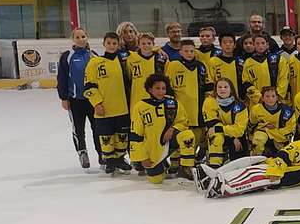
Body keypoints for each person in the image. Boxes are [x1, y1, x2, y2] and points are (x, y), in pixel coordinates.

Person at [198, 135, 300, 198]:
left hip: (281, 180)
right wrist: (275, 171)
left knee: (250, 177)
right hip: (274, 170)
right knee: (248, 172)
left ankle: (220, 186)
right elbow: (284, 154)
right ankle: (211, 179)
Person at [129, 74, 197, 183]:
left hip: (168, 142)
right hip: (153, 150)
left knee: (187, 135)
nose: (161, 91)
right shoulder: (140, 107)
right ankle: (161, 164)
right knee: (156, 180)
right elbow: (136, 134)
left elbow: (183, 121)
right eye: (157, 88)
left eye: (163, 88)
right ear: (150, 89)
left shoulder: (172, 103)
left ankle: (186, 167)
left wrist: (173, 128)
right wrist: (142, 158)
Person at [83, 32, 132, 175]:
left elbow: (143, 54)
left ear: (118, 44)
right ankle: (110, 161)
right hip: (104, 108)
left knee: (121, 136)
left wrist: (157, 49)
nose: (111, 46)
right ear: (103, 44)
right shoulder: (95, 63)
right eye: (109, 43)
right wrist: (97, 103)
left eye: (114, 43)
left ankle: (120, 159)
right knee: (106, 136)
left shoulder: (124, 59)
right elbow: (88, 86)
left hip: (123, 108)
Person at [57, 28, 100, 168]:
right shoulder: (67, 56)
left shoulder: (93, 55)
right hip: (75, 100)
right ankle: (82, 152)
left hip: (93, 100)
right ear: (73, 39)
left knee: (98, 128)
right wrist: (63, 98)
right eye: (77, 37)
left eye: (83, 36)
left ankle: (102, 155)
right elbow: (62, 78)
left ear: (87, 37)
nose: (81, 39)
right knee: (78, 129)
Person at [164, 39, 210, 171]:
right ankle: (175, 162)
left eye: (191, 51)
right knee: (180, 135)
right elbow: (167, 85)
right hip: (180, 108)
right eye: (186, 51)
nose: (189, 53)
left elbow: (208, 84)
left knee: (195, 137)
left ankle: (188, 163)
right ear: (180, 52)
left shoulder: (201, 66)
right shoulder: (173, 65)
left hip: (198, 107)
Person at [202, 77, 248, 168]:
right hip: (219, 133)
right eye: (219, 87)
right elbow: (212, 125)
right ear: (215, 89)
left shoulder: (240, 106)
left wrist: (234, 138)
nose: (222, 89)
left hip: (237, 137)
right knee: (215, 137)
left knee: (238, 165)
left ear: (231, 89)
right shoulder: (209, 102)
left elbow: (239, 130)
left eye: (225, 87)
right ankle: (214, 166)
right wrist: (222, 130)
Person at [248, 86, 296, 156]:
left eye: (273, 96)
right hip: (262, 133)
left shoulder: (287, 111)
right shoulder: (256, 109)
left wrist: (269, 131)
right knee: (258, 140)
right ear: (262, 98)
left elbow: (290, 130)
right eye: (267, 96)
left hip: (279, 138)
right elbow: (251, 126)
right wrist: (251, 142)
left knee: (282, 154)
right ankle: (256, 158)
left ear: (277, 98)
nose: (270, 99)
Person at [242, 34, 289, 106]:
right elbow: (246, 83)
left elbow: (284, 79)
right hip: (257, 103)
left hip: (276, 101)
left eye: (263, 43)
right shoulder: (248, 62)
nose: (260, 46)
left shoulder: (279, 59)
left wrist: (276, 96)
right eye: (257, 43)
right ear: (253, 45)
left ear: (267, 45)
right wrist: (259, 97)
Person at [209, 33, 242, 98]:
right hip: (219, 98)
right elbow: (210, 80)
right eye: (224, 42)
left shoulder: (240, 62)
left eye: (230, 42)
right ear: (220, 45)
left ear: (235, 45)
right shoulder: (213, 61)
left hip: (237, 98)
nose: (228, 44)